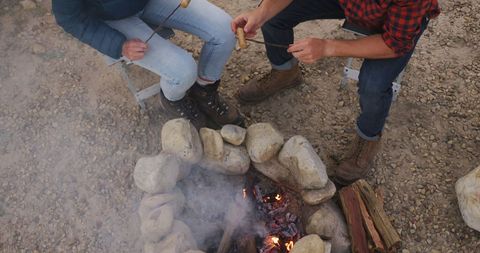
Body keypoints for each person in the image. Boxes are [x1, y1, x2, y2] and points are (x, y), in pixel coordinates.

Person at [232, 0, 440, 184]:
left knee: (373, 85)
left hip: (394, 27)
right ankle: (285, 73)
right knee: (273, 15)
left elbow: (394, 44)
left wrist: (327, 47)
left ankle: (368, 136)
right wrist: (259, 15)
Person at [52, 0, 243, 129]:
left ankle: (204, 91)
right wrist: (119, 45)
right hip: (111, 18)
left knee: (225, 31)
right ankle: (173, 100)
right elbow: (70, 19)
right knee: (184, 72)